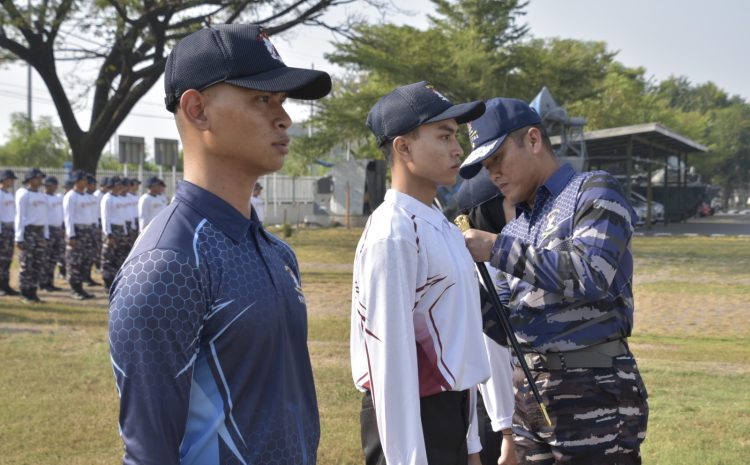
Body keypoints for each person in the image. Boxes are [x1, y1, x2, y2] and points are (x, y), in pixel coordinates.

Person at [108, 23, 332, 465]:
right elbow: (149, 452)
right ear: (196, 110)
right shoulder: (167, 265)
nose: (284, 118)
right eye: (261, 99)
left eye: (283, 102)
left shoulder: (276, 252)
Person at [459, 98, 649, 465]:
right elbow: (505, 328)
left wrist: (496, 248)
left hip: (594, 391)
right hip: (530, 399)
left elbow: (592, 274)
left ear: (533, 140)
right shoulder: (516, 228)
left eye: (497, 158)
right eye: (485, 164)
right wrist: (459, 280)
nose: (492, 173)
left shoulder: (593, 192)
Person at [350, 81, 489, 465]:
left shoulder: (441, 224)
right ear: (403, 146)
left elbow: (462, 338)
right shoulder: (392, 233)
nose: (458, 148)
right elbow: (389, 365)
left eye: (457, 136)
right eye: (444, 136)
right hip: (411, 421)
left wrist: (472, 444)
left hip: (451, 414)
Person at [454, 168, 517, 465]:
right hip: (498, 414)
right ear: (489, 211)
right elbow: (493, 351)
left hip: (497, 410)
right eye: (511, 205)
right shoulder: (486, 268)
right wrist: (508, 433)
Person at [15, 168, 49, 303]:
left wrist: (46, 234)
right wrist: (19, 237)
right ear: (30, 179)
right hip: (28, 232)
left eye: (41, 177)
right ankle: (24, 292)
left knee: (37, 263)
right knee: (26, 263)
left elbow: (45, 216)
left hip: (40, 232)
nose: (40, 180)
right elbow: (19, 216)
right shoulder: (23, 194)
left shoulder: (42, 196)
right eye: (38, 177)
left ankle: (33, 292)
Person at [63, 170, 96, 300]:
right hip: (77, 231)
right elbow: (68, 217)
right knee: (74, 261)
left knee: (84, 260)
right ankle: (74, 289)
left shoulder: (87, 196)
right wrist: (71, 235)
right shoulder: (71, 196)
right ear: (76, 181)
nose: (86, 182)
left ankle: (81, 288)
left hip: (87, 231)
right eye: (83, 180)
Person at [100, 176, 128, 290]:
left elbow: (123, 217)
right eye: (118, 184)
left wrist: (125, 233)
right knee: (108, 258)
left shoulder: (120, 198)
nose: (121, 186)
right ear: (113, 185)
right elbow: (105, 217)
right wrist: (108, 234)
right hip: (112, 230)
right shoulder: (107, 198)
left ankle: (116, 282)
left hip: (120, 230)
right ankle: (107, 282)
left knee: (119, 257)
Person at [41, 176, 65, 292]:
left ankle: (50, 282)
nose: (54, 187)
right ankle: (43, 283)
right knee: (45, 258)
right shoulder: (43, 198)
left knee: (53, 258)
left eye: (55, 185)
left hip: (57, 229)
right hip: (48, 229)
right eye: (51, 185)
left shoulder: (58, 197)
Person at [0, 169, 19, 296]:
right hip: (2, 229)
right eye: (11, 179)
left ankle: (5, 285)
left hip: (9, 229)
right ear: (4, 179)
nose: (12, 181)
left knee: (7, 259)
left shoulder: (9, 195)